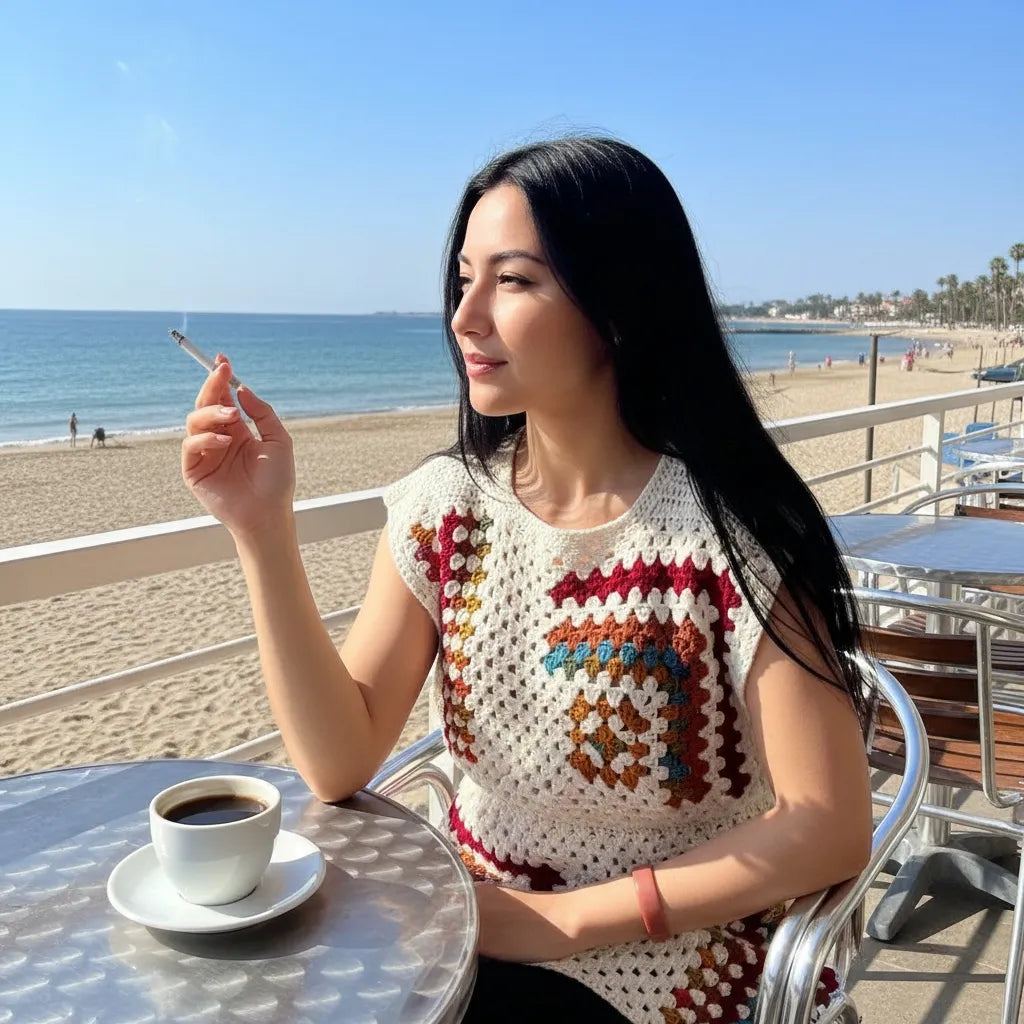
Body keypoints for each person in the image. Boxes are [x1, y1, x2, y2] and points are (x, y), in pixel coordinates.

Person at [182, 137, 871, 1024]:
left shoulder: (731, 536)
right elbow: (338, 759)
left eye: (512, 281)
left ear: (616, 303)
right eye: (463, 280)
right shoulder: (446, 509)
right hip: (469, 931)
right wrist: (261, 530)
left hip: (680, 964)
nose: (465, 318)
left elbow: (826, 824)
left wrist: (567, 921)